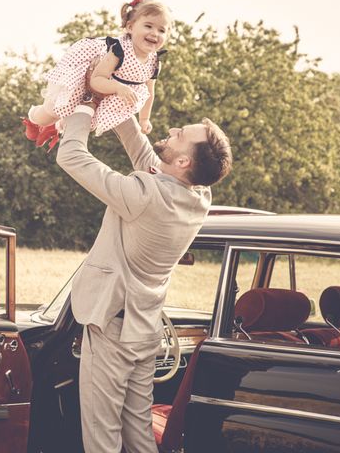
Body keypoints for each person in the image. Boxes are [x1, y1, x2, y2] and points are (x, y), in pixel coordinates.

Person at [56, 103, 232, 452]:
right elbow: (145, 156)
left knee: (101, 437)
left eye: (180, 135)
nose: (171, 131)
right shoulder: (199, 195)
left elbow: (71, 156)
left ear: (183, 162)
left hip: (112, 327)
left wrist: (81, 106)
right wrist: (115, 100)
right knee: (138, 434)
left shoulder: (145, 195)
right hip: (144, 330)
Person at [23, 0, 172, 150]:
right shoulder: (119, 51)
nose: (155, 33)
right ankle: (33, 118)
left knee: (86, 122)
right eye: (148, 26)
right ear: (130, 27)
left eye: (162, 30)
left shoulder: (154, 63)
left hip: (109, 92)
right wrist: (118, 88)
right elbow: (96, 80)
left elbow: (149, 93)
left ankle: (57, 127)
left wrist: (144, 119)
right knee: (51, 112)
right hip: (87, 78)